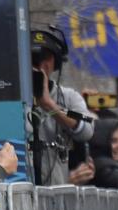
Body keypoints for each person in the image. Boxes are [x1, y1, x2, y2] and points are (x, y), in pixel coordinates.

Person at [29, 28, 95, 185]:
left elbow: (87, 127)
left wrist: (49, 106)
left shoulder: (69, 96)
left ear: (55, 62)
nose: (40, 64)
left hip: (56, 196)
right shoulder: (9, 97)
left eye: (45, 57)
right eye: (32, 58)